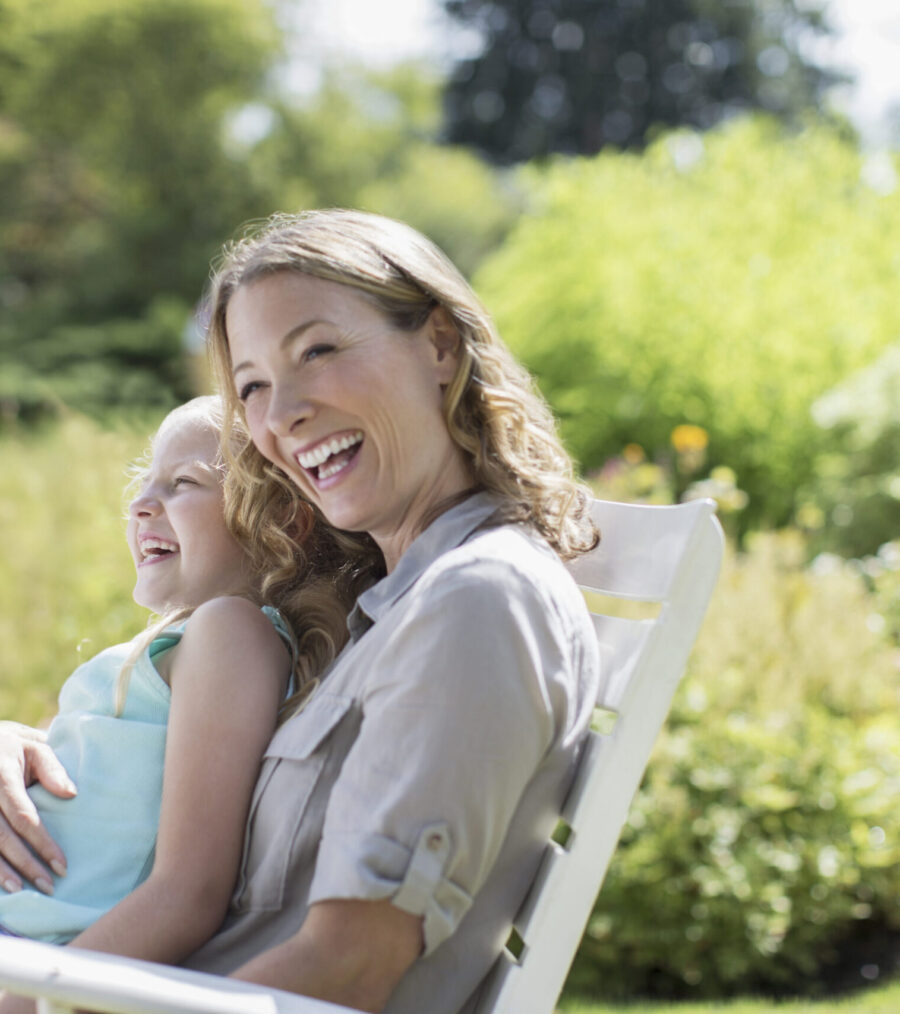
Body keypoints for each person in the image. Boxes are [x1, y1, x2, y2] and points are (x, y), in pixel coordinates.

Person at [0, 210, 601, 1014]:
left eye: (317, 351)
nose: (280, 414)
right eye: (251, 386)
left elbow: (349, 968)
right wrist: (29, 750)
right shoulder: (389, 608)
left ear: (441, 347)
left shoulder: (475, 601)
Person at [0, 396, 351, 1011]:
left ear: (283, 522)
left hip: (31, 958)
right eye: (145, 479)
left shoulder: (231, 633)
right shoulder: (192, 639)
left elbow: (187, 892)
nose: (139, 504)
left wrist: (31, 1000)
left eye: (183, 482)